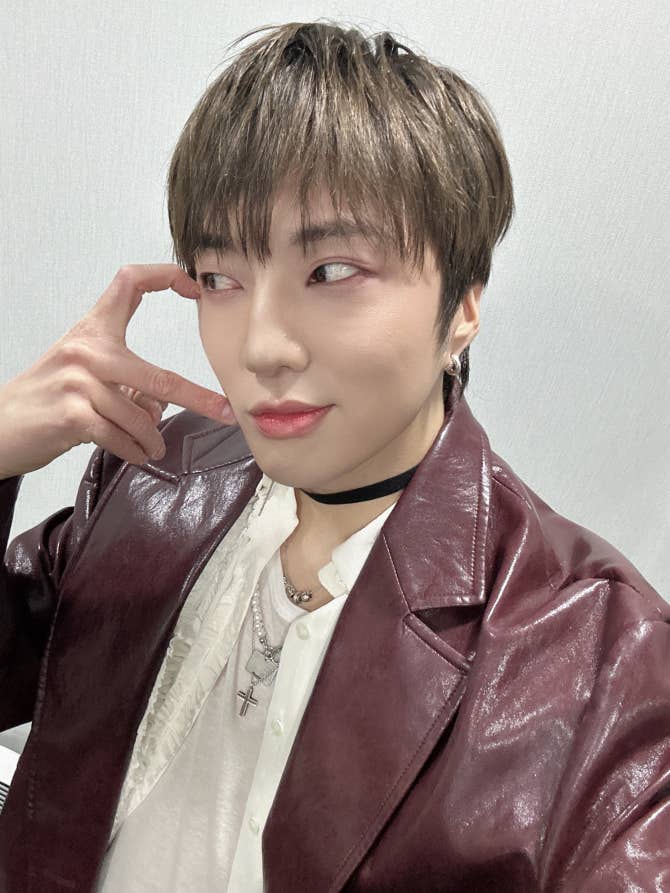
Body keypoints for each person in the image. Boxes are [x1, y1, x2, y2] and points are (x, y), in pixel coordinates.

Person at [0, 19, 668, 893]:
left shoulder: (597, 651)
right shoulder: (155, 474)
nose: (262, 347)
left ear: (464, 303)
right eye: (219, 278)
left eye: (331, 272)